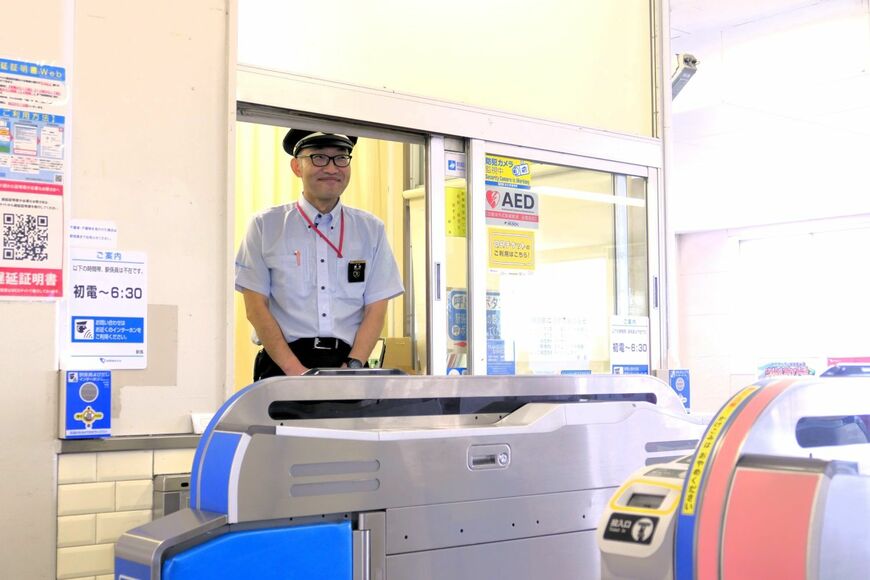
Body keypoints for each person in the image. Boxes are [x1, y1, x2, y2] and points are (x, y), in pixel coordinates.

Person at [235, 129, 404, 379]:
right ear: (297, 167)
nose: (332, 168)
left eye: (341, 158)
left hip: (347, 365)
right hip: (282, 366)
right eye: (319, 157)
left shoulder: (371, 229)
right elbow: (255, 308)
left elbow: (376, 308)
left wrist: (354, 365)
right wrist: (297, 373)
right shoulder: (265, 226)